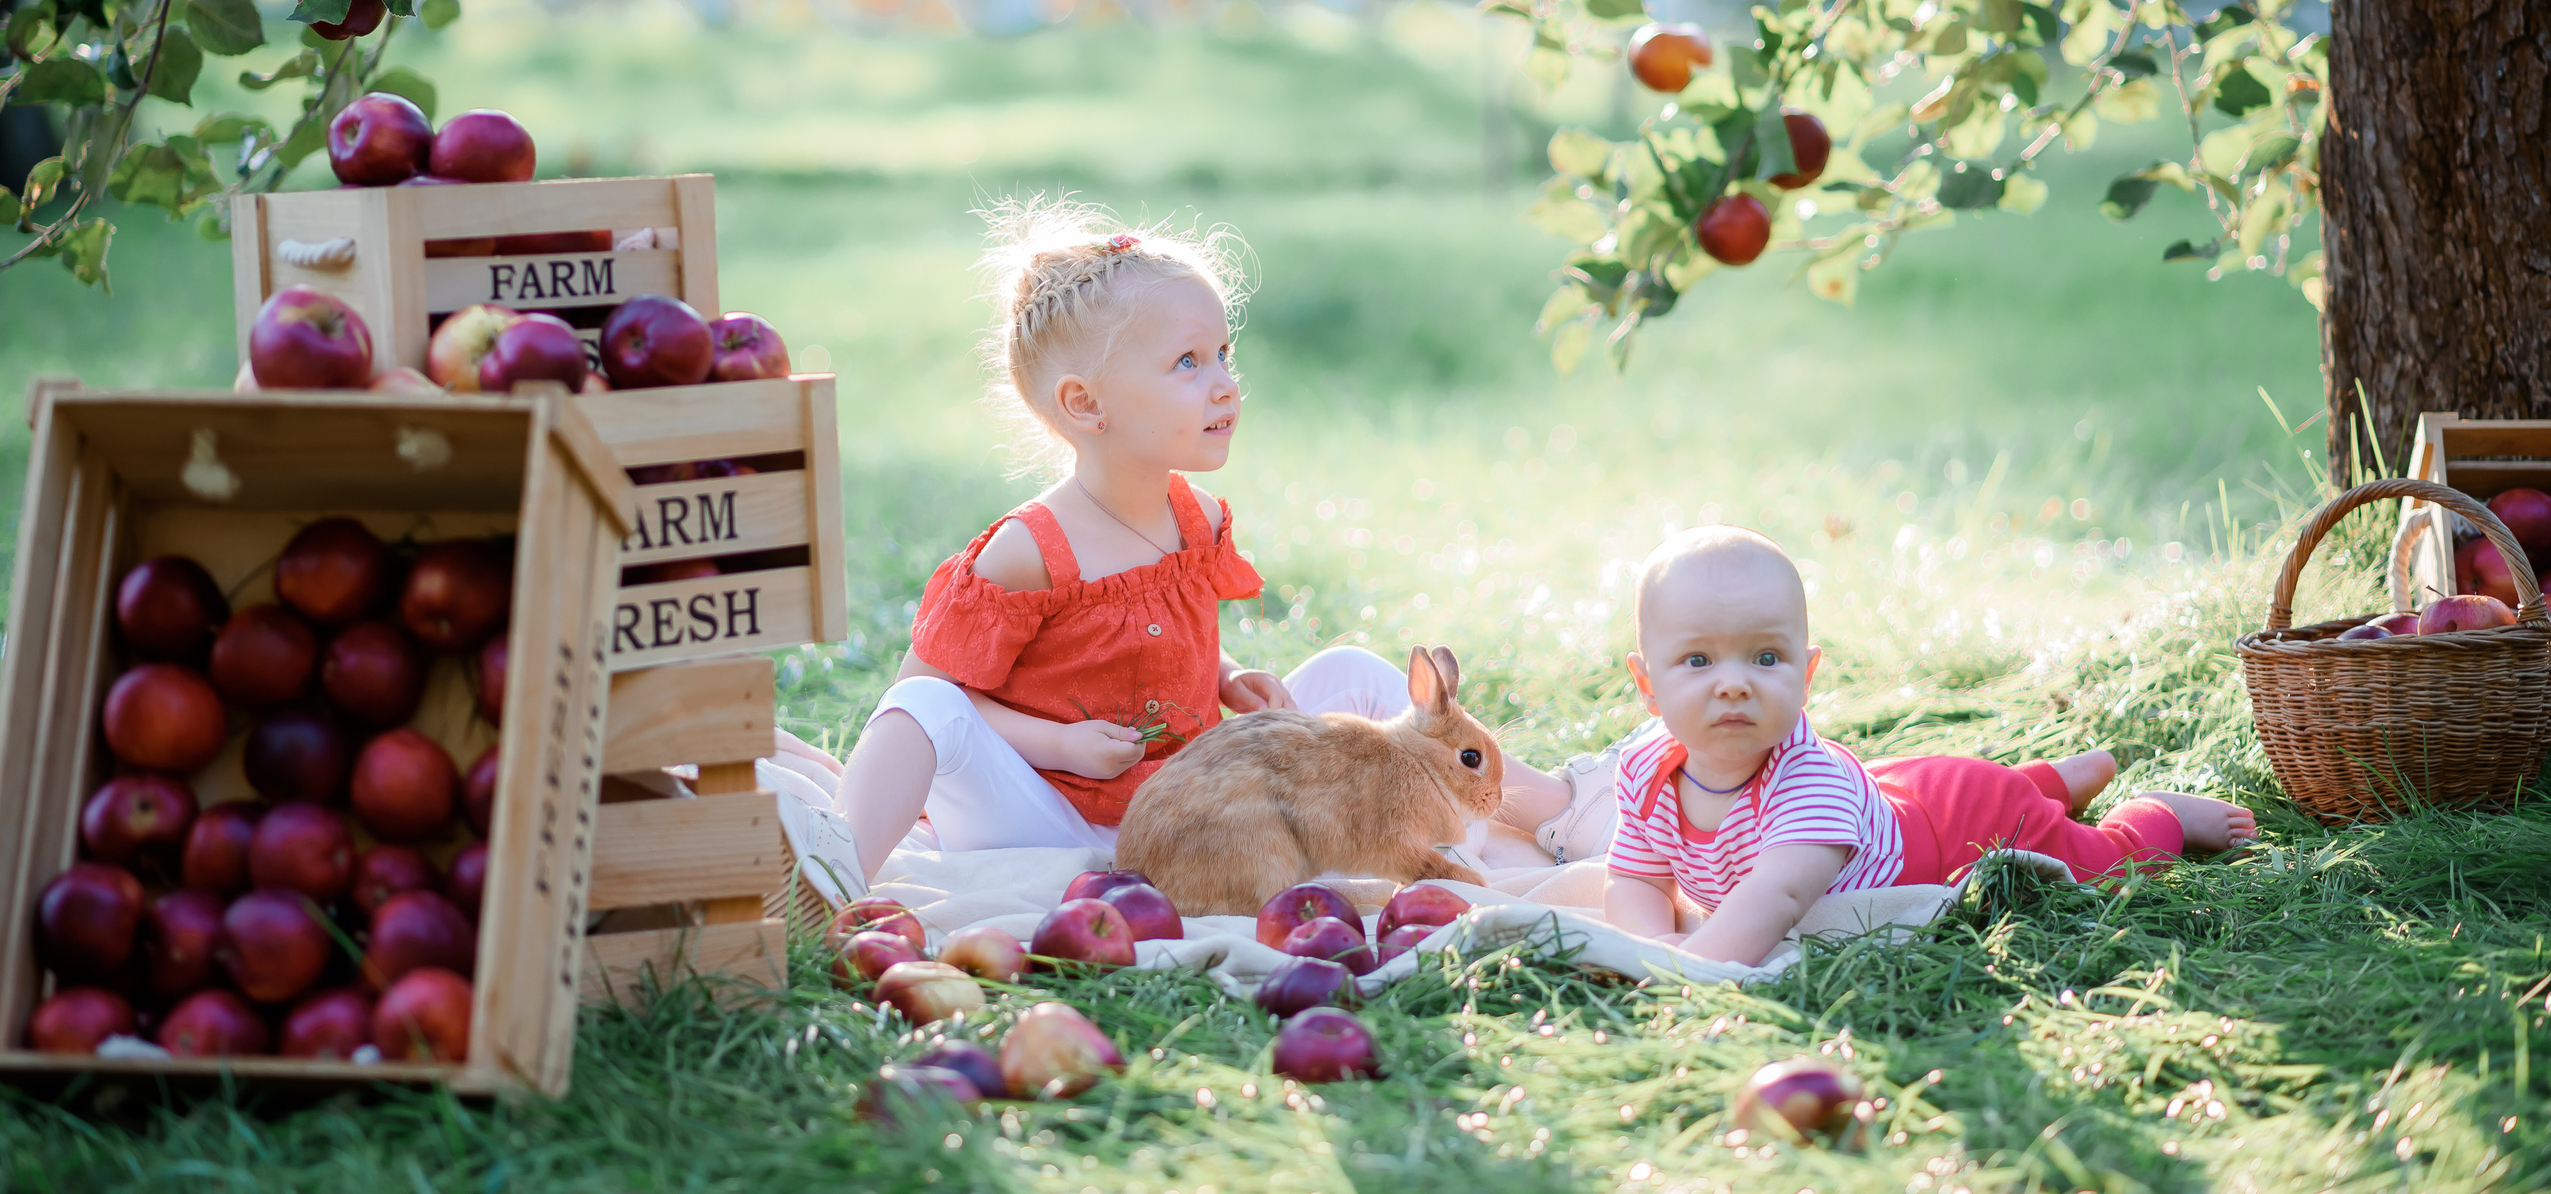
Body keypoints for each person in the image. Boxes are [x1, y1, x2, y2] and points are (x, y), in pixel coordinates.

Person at [799, 199, 1574, 897]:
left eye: (1224, 355)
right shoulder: (1027, 550)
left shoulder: (1193, 518)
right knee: (920, 707)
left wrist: (1232, 675)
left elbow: (1166, 645)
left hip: (1198, 812)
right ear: (1085, 403)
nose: (1226, 384)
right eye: (1188, 363)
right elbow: (930, 692)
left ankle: (1564, 811)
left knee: (1353, 674)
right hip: (1052, 817)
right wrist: (1058, 740)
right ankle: (832, 877)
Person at [1603, 526, 2256, 965]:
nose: (1734, 684)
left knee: (2101, 869)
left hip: (1957, 827)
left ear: (1805, 672)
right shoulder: (1646, 768)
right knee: (1974, 787)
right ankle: (2049, 782)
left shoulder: (1806, 784)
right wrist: (1649, 941)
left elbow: (1775, 896)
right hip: (1900, 791)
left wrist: (1687, 968)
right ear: (1647, 683)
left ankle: (2157, 813)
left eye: (1765, 656)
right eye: (1697, 660)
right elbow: (1635, 875)